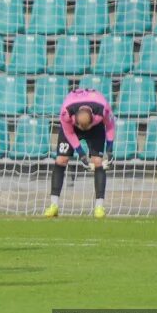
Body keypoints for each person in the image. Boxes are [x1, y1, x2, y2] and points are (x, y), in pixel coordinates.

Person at [43, 88, 116, 219]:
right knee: (61, 160)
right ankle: (53, 205)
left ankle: (99, 207)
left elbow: (110, 126)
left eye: (84, 127)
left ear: (93, 118)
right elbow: (70, 133)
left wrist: (110, 148)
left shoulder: (102, 110)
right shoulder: (66, 112)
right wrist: (81, 154)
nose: (83, 130)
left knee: (98, 162)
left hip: (95, 129)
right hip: (71, 128)